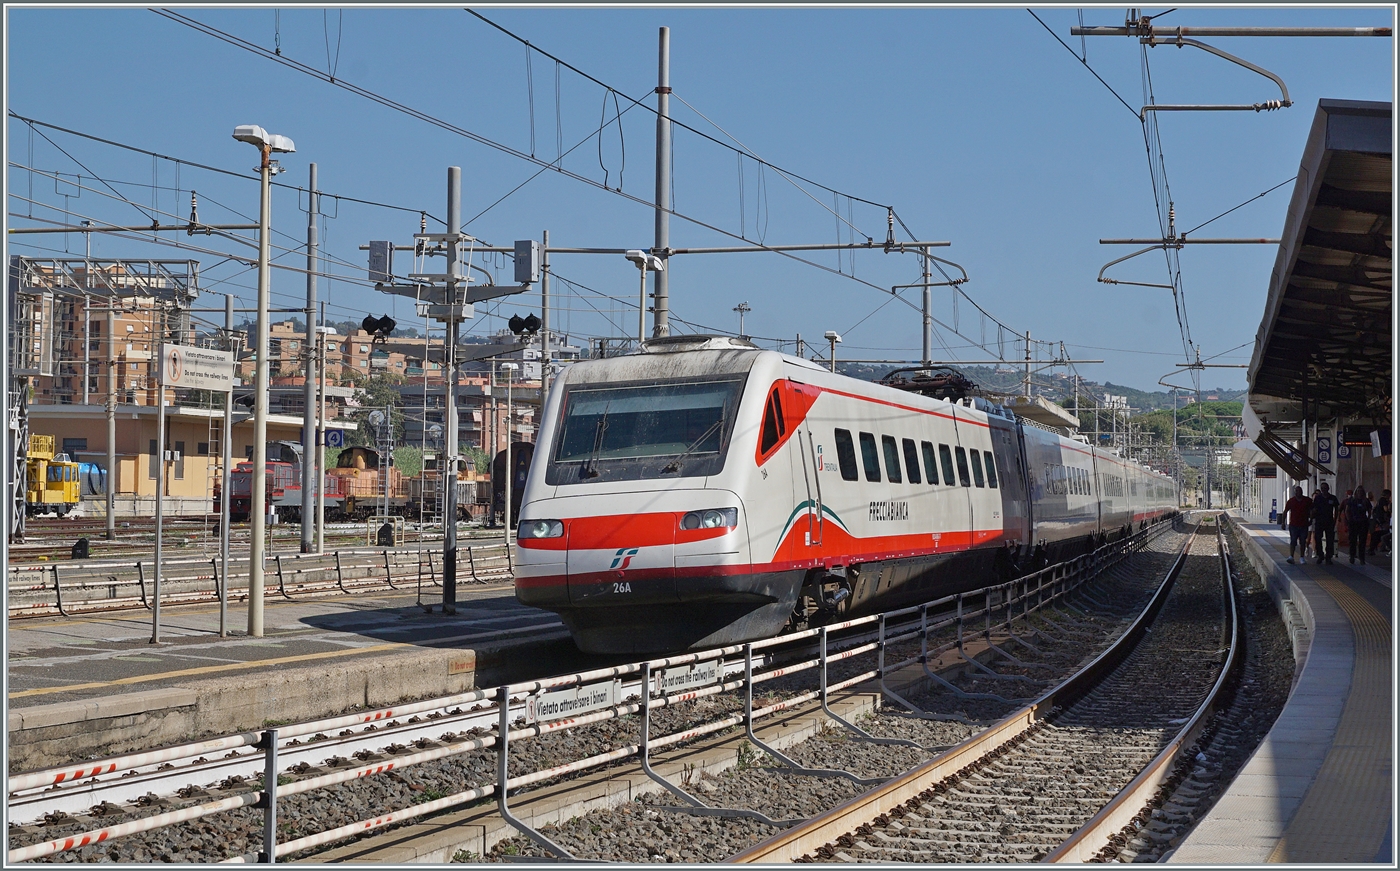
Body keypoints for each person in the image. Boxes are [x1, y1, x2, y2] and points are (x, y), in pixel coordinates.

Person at [1283, 485, 1313, 565]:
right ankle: (1291, 556)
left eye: (1299, 491)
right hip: (1293, 525)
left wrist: (1311, 519)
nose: (1298, 492)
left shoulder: (1307, 501)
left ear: (1302, 492)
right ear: (1295, 492)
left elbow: (1312, 511)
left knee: (1303, 541)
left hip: (1304, 524)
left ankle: (1302, 557)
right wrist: (1283, 522)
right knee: (1293, 540)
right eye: (1296, 491)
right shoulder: (1291, 501)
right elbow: (1285, 511)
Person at [1311, 482, 1340, 565]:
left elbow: (1336, 508)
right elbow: (1314, 508)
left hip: (1329, 522)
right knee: (1318, 539)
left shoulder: (1333, 498)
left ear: (1328, 488)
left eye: (1325, 488)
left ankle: (1328, 557)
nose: (1324, 489)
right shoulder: (1318, 498)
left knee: (1330, 540)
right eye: (1322, 488)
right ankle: (1320, 555)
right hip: (1319, 521)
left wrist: (1335, 519)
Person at [1344, 487, 1373, 565]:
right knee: (1352, 540)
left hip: (1363, 522)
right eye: (1358, 491)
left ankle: (1362, 558)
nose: (1360, 493)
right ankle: (1352, 555)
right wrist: (1349, 519)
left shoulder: (1365, 501)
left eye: (1361, 491)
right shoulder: (1352, 500)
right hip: (1353, 522)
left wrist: (1368, 518)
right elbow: (1347, 510)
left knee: (1362, 541)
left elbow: (1370, 510)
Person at [1370, 489, 1392, 557]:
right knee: (1385, 532)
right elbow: (1385, 509)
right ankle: (1384, 547)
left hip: (1378, 519)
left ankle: (1382, 547)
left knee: (1382, 533)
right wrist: (1389, 507)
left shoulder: (1379, 500)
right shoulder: (1384, 500)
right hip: (1383, 520)